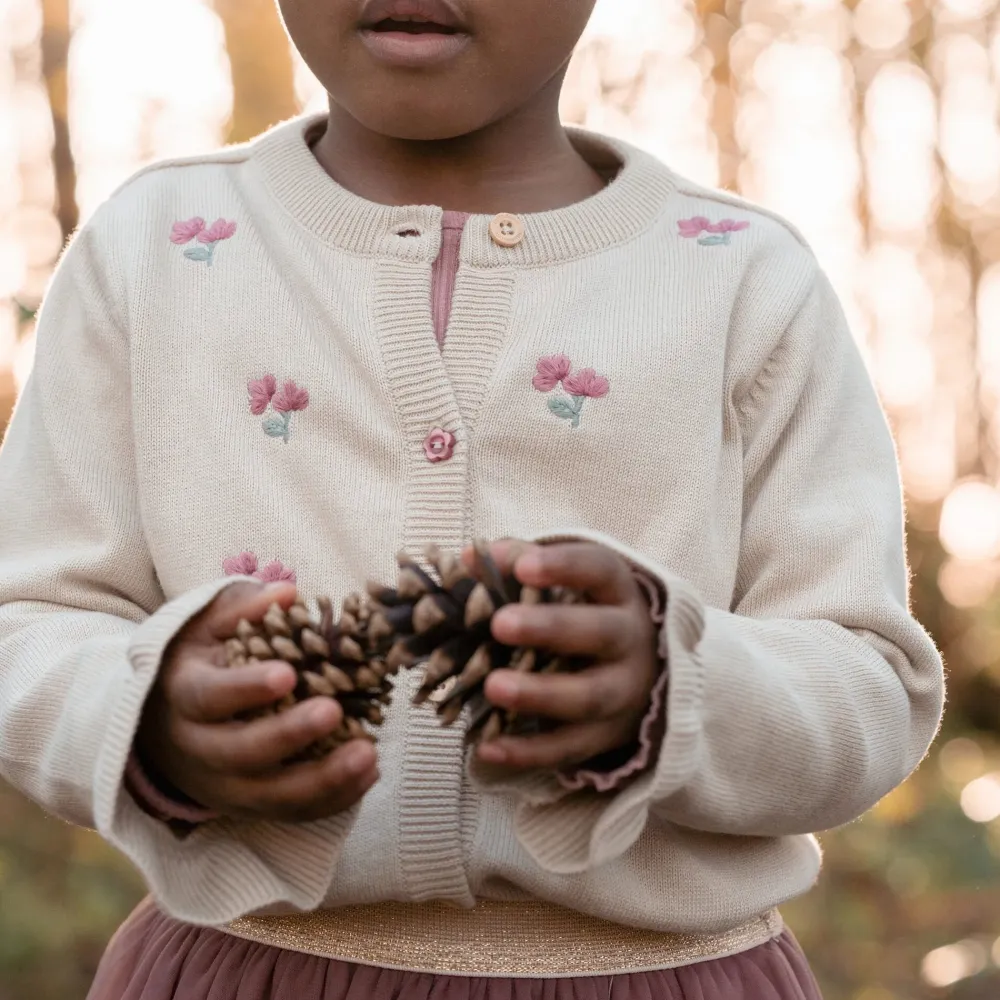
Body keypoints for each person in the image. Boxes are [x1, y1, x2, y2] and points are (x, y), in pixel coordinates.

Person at [0, 0, 945, 997]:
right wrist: (143, 716)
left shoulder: (746, 282)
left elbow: (870, 681)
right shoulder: (153, 252)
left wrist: (681, 688)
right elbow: (25, 622)